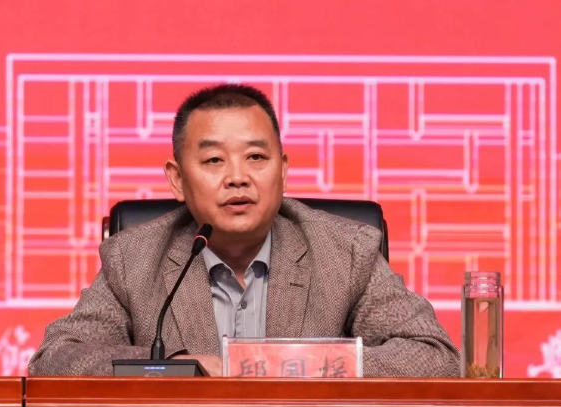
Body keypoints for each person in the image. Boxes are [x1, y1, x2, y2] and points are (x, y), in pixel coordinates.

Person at [29, 84, 459, 377]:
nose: (238, 178)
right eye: (214, 160)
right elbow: (57, 359)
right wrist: (179, 367)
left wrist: (288, 364)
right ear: (177, 180)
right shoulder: (135, 258)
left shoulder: (344, 252)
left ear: (283, 171)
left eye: (256, 157)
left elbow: (434, 358)